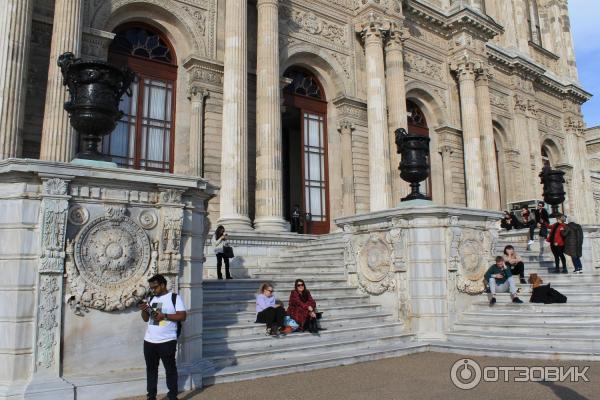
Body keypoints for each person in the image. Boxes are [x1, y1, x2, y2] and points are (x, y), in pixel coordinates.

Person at [138, 274, 187, 400]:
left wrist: (164, 316)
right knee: (151, 370)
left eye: (155, 287)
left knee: (170, 369)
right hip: (149, 341)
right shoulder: (151, 299)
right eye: (151, 288)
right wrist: (144, 310)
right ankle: (151, 396)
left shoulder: (174, 298)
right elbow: (145, 319)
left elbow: (182, 316)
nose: (153, 290)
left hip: (167, 341)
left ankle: (172, 396)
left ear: (163, 285)